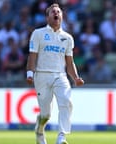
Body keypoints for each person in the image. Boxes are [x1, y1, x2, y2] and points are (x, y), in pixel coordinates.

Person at [26, 3, 84, 144]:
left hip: (60, 75)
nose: (56, 13)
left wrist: (75, 77)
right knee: (46, 114)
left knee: (66, 101)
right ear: (47, 17)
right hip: (42, 75)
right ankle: (40, 130)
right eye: (53, 12)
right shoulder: (38, 34)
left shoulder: (67, 38)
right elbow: (32, 56)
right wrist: (29, 73)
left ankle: (62, 136)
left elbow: (69, 62)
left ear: (62, 16)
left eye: (58, 12)